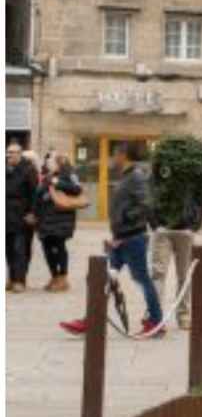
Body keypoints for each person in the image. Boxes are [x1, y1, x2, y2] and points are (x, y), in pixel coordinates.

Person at [60, 141, 164, 338]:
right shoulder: (127, 176)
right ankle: (90, 320)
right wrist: (117, 234)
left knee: (142, 279)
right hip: (122, 239)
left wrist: (126, 222)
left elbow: (147, 204)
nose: (112, 158)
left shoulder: (136, 176)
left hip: (132, 239)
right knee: (103, 278)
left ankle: (156, 322)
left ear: (123, 154)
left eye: (114, 154)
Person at [150, 179, 202, 329]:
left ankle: (184, 316)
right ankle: (155, 316)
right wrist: (155, 225)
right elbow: (150, 196)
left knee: (185, 276)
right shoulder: (161, 167)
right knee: (158, 274)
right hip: (163, 230)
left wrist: (194, 226)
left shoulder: (192, 170)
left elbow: (201, 199)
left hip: (185, 230)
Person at [32, 154, 82, 291]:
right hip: (45, 219)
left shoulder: (69, 174)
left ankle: (63, 278)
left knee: (59, 246)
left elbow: (77, 189)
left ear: (58, 163)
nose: (47, 163)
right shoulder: (46, 176)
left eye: (50, 161)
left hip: (61, 219)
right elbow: (38, 196)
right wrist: (34, 213)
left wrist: (57, 182)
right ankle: (54, 276)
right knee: (47, 248)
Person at [5, 142, 38, 292]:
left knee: (21, 249)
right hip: (6, 216)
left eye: (12, 152)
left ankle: (20, 280)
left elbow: (34, 194)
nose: (9, 155)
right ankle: (11, 279)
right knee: (8, 250)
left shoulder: (28, 170)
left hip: (22, 216)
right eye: (8, 152)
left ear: (20, 154)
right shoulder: (5, 169)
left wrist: (32, 213)